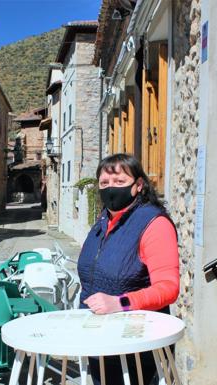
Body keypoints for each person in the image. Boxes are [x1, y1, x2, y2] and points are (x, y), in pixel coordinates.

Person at [77, 153, 180, 385]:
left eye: (120, 182)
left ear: (138, 185)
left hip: (138, 347)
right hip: (100, 342)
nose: (111, 188)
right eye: (104, 183)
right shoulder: (102, 221)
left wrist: (120, 302)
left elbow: (168, 288)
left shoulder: (154, 224)